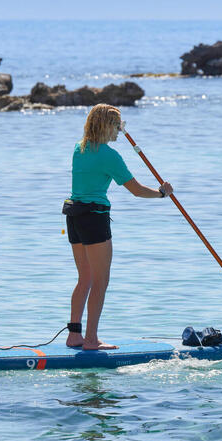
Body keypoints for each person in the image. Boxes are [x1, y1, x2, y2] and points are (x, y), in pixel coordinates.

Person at [63, 104, 173, 350]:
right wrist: (162, 193)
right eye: (117, 126)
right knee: (101, 280)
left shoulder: (78, 149)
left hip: (73, 216)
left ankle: (74, 336)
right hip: (94, 217)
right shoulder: (109, 155)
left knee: (85, 278)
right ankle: (91, 339)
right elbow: (136, 190)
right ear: (106, 125)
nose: (120, 132)